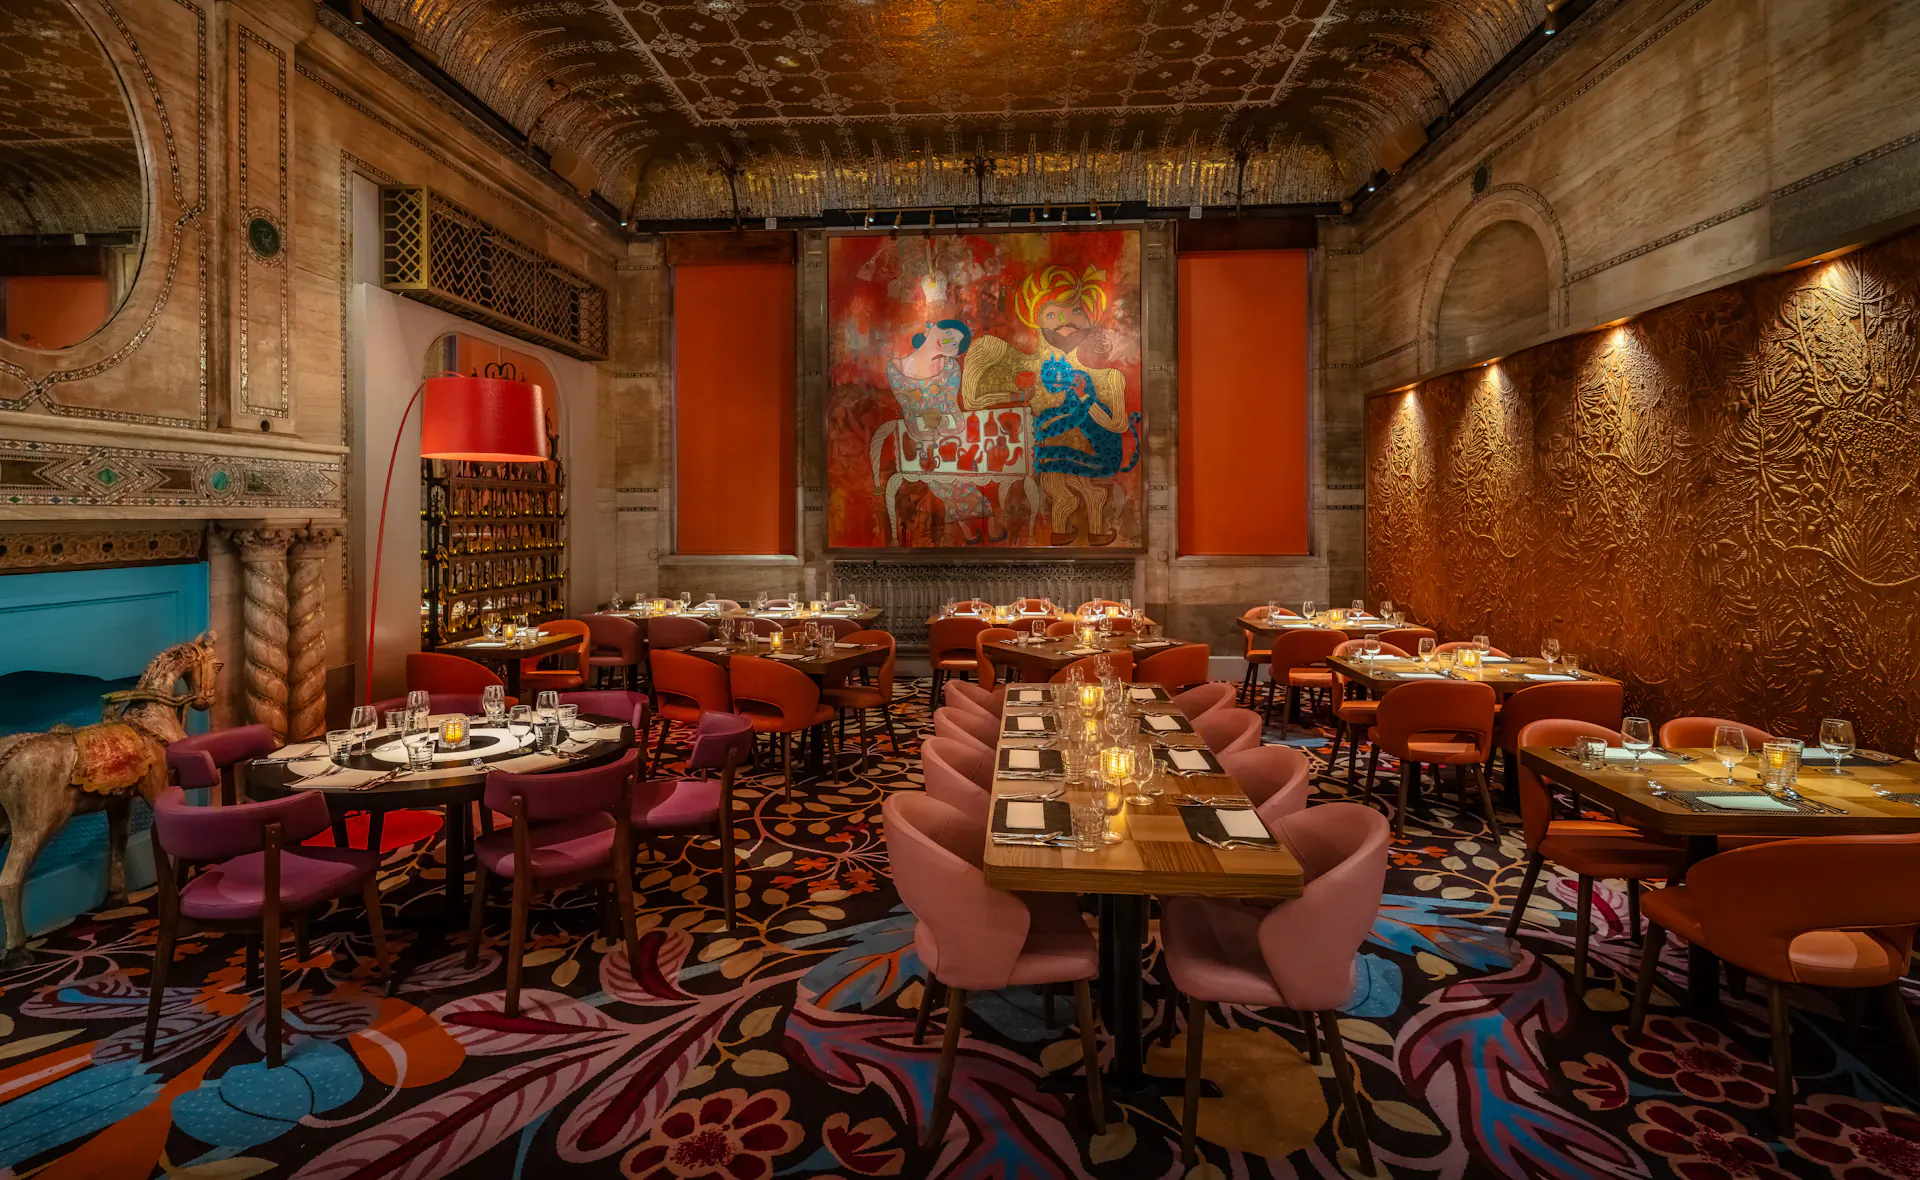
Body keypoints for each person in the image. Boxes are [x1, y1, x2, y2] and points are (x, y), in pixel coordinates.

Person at [959, 265, 1139, 544]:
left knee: (1066, 474)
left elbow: (1116, 424)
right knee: (1058, 479)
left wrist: (1083, 399)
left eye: (1075, 311)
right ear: (1036, 319)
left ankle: (1081, 527)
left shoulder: (1106, 378)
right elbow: (973, 400)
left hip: (1090, 456)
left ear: (1090, 318)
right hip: (1052, 455)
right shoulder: (1024, 369)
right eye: (1052, 314)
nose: (1064, 322)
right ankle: (1066, 529)